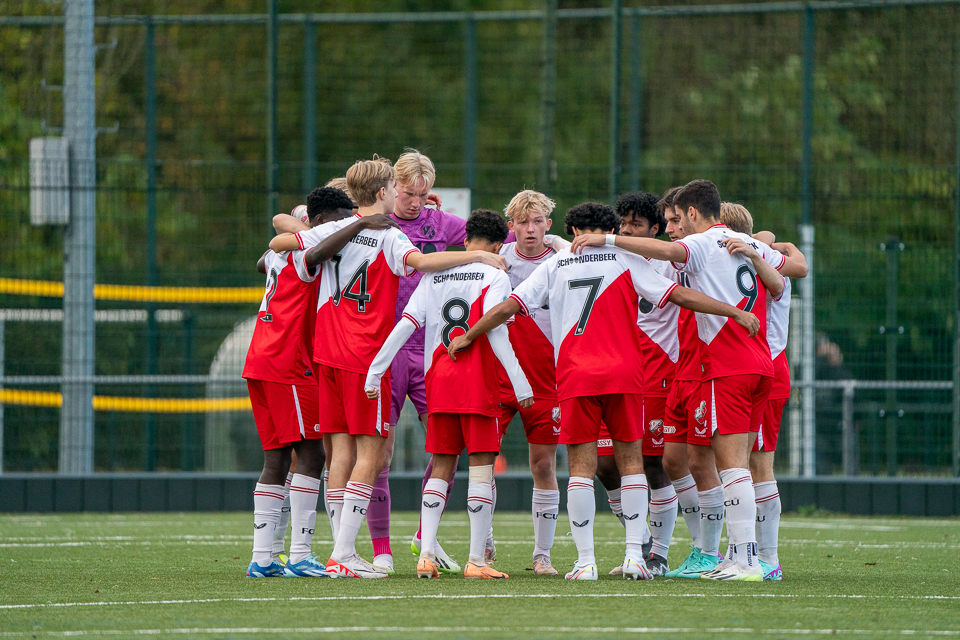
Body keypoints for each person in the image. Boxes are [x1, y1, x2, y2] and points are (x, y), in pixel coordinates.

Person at [449, 201, 760, 581]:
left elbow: (506, 308)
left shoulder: (554, 264)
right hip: (626, 376)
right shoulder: (626, 259)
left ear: (575, 232)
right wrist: (734, 310)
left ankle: (585, 562)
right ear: (606, 229)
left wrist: (470, 334)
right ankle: (634, 557)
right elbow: (678, 296)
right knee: (633, 465)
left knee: (582, 469)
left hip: (577, 377)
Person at [269, 156, 507, 578]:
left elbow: (278, 242)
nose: (402, 197)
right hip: (364, 357)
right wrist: (479, 259)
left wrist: (335, 230)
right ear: (383, 193)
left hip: (326, 354)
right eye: (397, 190)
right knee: (372, 454)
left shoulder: (334, 231)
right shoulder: (390, 236)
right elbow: (422, 263)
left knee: (339, 453)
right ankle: (344, 553)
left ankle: (341, 551)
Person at [571, 179, 806, 581]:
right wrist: (757, 247)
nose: (675, 225)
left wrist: (608, 239)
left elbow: (666, 250)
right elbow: (784, 281)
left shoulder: (702, 243)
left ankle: (748, 560)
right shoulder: (744, 244)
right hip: (755, 363)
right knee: (733, 467)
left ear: (692, 214)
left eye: (677, 218)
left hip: (727, 365)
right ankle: (738, 556)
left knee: (733, 468)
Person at [365, 209, 532, 580]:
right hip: (477, 383)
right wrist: (520, 383)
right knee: (481, 467)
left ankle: (425, 554)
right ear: (496, 243)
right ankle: (477, 560)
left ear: (466, 239)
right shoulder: (494, 274)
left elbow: (406, 324)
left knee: (441, 464)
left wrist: (376, 369)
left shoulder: (436, 273)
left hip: (438, 381)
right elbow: (497, 332)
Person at [242, 187, 355, 578]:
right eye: (341, 217)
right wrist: (360, 223)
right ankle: (300, 554)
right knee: (311, 454)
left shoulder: (285, 249)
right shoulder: (309, 252)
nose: (347, 222)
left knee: (276, 458)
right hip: (290, 362)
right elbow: (314, 253)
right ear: (321, 222)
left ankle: (262, 558)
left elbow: (263, 260)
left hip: (261, 358)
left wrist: (304, 228)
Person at [385, 150, 467, 575]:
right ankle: (378, 550)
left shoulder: (440, 222)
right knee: (376, 451)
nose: (415, 202)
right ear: (393, 187)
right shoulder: (378, 222)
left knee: (445, 444)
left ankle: (425, 536)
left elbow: (488, 237)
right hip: (389, 346)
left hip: (431, 349)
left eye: (421, 193)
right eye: (408, 192)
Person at [720, 202, 807, 581]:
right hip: (750, 368)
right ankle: (741, 548)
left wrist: (756, 247)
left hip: (765, 367)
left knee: (757, 464)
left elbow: (796, 269)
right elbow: (785, 250)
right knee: (736, 462)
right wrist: (763, 241)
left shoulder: (756, 260)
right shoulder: (751, 254)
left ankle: (768, 557)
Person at [595, 191, 681, 578]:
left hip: (657, 371)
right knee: (603, 464)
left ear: (656, 230)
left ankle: (658, 555)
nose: (627, 230)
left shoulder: (671, 262)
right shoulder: (610, 257)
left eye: (637, 224)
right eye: (623, 222)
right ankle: (641, 539)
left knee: (652, 463)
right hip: (613, 370)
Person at [495, 190, 565, 576]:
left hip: (547, 377)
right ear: (512, 227)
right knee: (483, 460)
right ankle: (482, 544)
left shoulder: (562, 257)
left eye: (537, 221)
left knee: (542, 465)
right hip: (500, 375)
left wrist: (562, 243)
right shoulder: (497, 260)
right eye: (522, 222)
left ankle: (542, 554)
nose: (530, 229)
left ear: (548, 225)